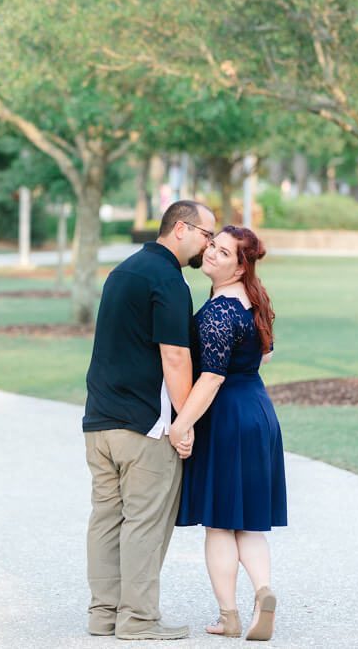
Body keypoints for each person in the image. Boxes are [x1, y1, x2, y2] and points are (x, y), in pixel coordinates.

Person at [82, 199, 216, 640]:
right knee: (144, 521)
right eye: (205, 235)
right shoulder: (169, 281)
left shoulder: (123, 271)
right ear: (180, 229)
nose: (208, 245)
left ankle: (104, 614)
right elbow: (176, 358)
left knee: (106, 518)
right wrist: (185, 424)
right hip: (146, 425)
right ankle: (138, 619)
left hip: (99, 422)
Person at [170, 226, 287, 641]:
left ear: (240, 268)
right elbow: (266, 353)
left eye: (223, 252)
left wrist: (180, 426)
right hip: (258, 410)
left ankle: (230, 617)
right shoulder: (252, 300)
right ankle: (263, 592)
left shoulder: (220, 311)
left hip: (227, 416)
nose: (212, 254)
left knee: (219, 524)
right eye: (213, 246)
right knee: (249, 524)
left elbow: (211, 379)